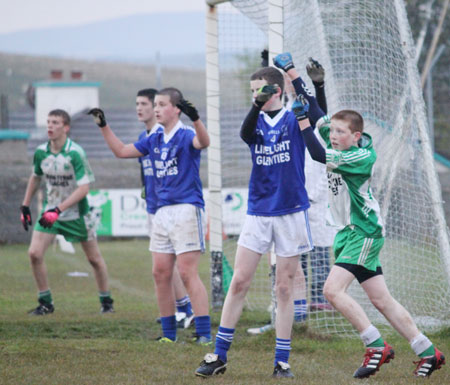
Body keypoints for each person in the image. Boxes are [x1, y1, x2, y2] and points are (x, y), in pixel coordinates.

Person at [278, 52, 445, 379]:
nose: (334, 135)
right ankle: (429, 351)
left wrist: (302, 123)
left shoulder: (358, 155)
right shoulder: (340, 143)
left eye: (341, 132)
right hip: (348, 232)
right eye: (335, 132)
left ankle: (376, 346)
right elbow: (319, 115)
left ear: (356, 135)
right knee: (382, 300)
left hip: (363, 232)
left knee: (331, 291)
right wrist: (302, 77)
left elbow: (314, 147)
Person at [195, 65, 316, 379]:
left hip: (290, 211)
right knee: (239, 282)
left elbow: (319, 116)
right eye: (251, 91)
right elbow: (245, 134)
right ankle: (219, 355)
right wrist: (254, 104)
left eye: (260, 90)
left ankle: (282, 361)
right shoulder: (256, 120)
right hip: (259, 211)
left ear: (276, 91)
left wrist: (304, 81)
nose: (255, 95)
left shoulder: (293, 118)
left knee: (284, 288)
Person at [88, 87, 211, 344]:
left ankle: (204, 334)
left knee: (187, 273)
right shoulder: (154, 138)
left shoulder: (187, 134)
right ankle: (168, 335)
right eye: (155, 104)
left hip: (186, 209)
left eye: (162, 104)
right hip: (161, 212)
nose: (156, 108)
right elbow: (121, 151)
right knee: (160, 272)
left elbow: (204, 142)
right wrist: (103, 126)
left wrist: (197, 119)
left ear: (176, 109)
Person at [20, 109, 114, 315]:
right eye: (48, 122)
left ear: (66, 127)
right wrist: (25, 205)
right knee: (34, 254)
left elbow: (84, 188)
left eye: (55, 122)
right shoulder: (41, 152)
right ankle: (46, 303)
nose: (50, 126)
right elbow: (35, 177)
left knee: (94, 259)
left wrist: (58, 209)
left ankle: (106, 302)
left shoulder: (75, 153)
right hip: (50, 214)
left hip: (76, 215)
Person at [136, 88, 194, 329]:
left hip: (174, 206)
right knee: (162, 266)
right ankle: (180, 310)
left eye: (145, 104)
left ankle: (186, 310)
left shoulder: (173, 134)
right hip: (155, 206)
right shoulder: (146, 136)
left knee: (177, 265)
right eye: (137, 104)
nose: (140, 108)